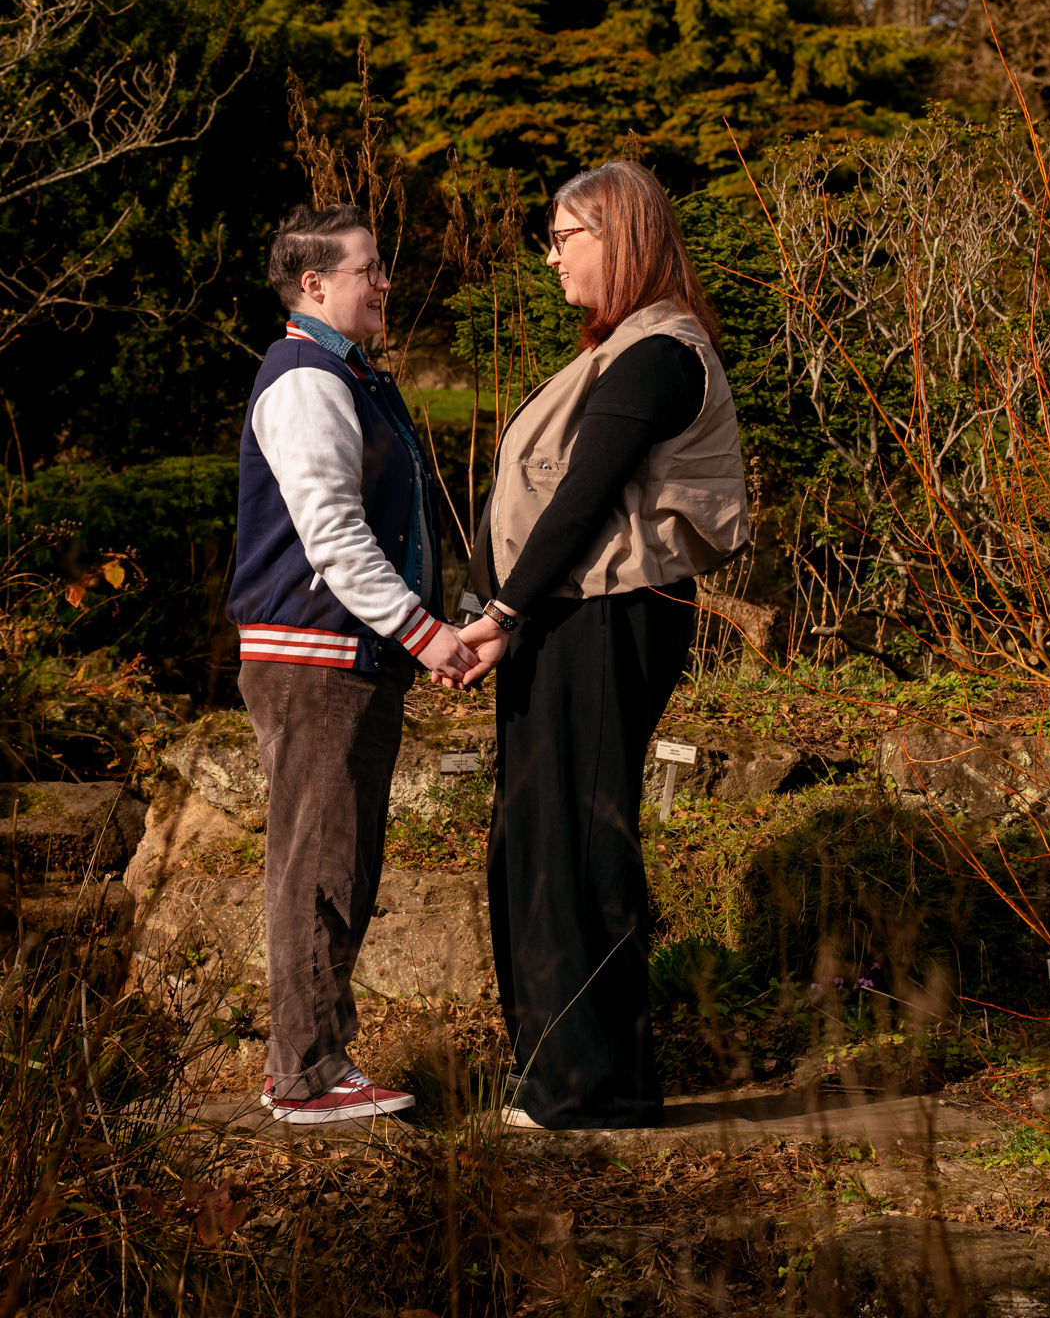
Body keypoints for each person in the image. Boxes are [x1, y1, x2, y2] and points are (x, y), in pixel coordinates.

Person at [455, 161, 750, 1130]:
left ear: (618, 236)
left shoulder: (660, 354)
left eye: (562, 236)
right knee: (537, 838)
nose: (549, 256)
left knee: (576, 842)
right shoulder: (626, 347)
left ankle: (592, 1083)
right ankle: (563, 1069)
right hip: (572, 614)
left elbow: (584, 497)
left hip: (606, 614)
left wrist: (500, 612)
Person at [227, 203, 478, 1125]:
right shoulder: (304, 382)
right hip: (314, 655)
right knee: (318, 862)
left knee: (343, 858)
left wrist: (436, 620)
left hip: (347, 651)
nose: (382, 283)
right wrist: (427, 635)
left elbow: (388, 527)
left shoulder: (349, 375)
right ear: (313, 284)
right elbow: (332, 536)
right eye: (366, 268)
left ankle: (318, 1061)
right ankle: (303, 1075)